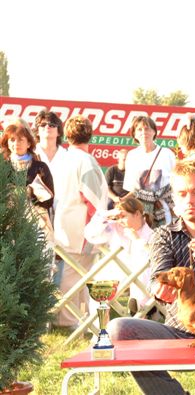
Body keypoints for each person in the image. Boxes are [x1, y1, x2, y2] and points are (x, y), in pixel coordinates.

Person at [107, 159, 195, 394]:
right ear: (174, 199)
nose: (189, 200)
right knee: (118, 329)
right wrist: (159, 289)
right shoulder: (163, 235)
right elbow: (158, 274)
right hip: (180, 332)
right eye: (182, 194)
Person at [54, 115, 108, 327]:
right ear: (90, 134)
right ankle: (68, 321)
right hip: (82, 227)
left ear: (67, 135)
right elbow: (92, 198)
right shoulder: (85, 161)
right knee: (75, 276)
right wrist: (102, 224)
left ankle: (79, 318)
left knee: (77, 275)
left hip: (65, 223)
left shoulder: (63, 158)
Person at [85, 195, 154, 314]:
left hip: (142, 274)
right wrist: (106, 215)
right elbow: (91, 235)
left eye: (123, 216)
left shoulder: (151, 234)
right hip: (117, 268)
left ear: (137, 214)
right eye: (118, 217)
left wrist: (137, 240)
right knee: (99, 287)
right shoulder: (115, 227)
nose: (120, 221)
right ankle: (100, 325)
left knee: (143, 281)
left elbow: (150, 259)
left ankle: (140, 314)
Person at [0, 119, 55, 245]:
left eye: (20, 140)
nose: (16, 143)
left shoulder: (40, 167)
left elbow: (49, 201)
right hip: (7, 224)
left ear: (29, 143)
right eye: (12, 140)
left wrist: (31, 192)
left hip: (37, 224)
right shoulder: (3, 166)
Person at [123, 115, 176, 227]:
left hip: (164, 209)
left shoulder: (167, 154)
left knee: (164, 236)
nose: (144, 132)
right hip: (139, 211)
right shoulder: (132, 156)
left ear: (154, 132)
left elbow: (176, 184)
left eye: (147, 128)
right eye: (139, 129)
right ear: (134, 134)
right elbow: (133, 188)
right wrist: (121, 201)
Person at [33, 110, 67, 212]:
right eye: (43, 125)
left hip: (63, 210)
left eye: (52, 125)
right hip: (35, 210)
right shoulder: (30, 155)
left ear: (59, 132)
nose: (47, 127)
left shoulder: (68, 156)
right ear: (37, 131)